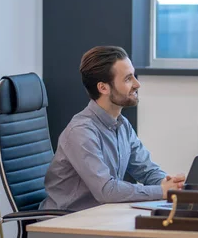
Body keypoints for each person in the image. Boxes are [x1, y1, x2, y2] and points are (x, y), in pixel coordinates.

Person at [40, 46, 185, 212]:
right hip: (64, 222)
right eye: (128, 79)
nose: (137, 84)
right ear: (103, 88)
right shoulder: (81, 132)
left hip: (99, 215)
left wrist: (173, 185)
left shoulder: (122, 125)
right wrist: (161, 191)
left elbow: (147, 171)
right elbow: (106, 191)